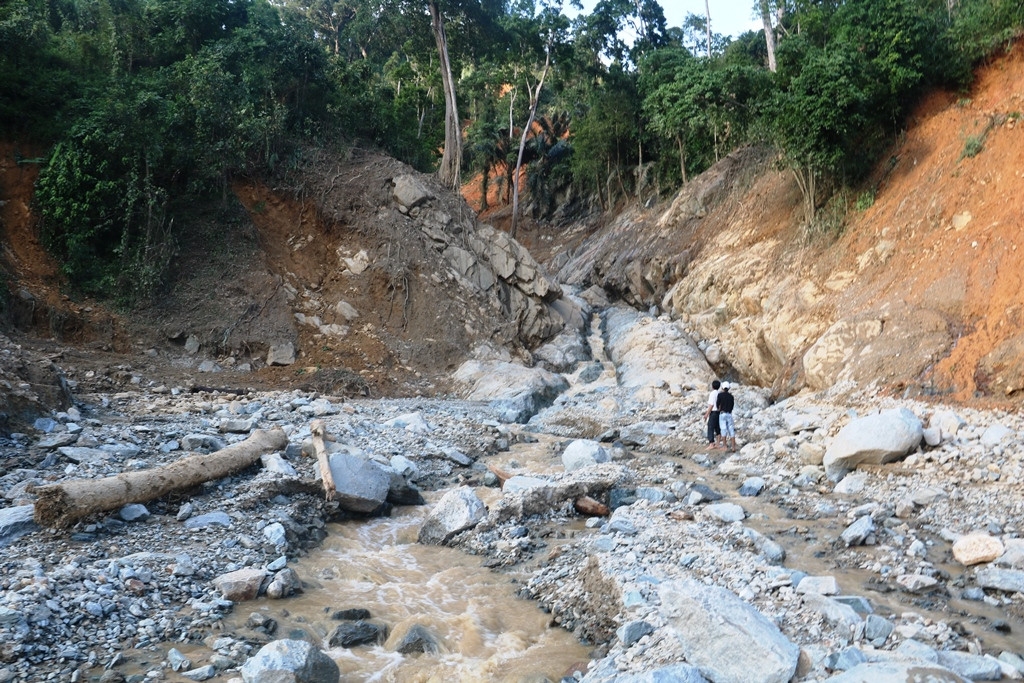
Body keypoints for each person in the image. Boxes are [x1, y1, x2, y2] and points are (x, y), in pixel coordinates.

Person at [716, 382, 737, 452]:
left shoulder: (720, 395)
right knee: (731, 430)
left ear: (722, 388)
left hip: (722, 413)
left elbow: (717, 404)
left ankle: (725, 446)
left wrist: (719, 409)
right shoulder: (731, 396)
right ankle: (733, 447)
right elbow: (732, 406)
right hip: (729, 414)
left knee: (723, 429)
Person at [703, 380, 722, 449]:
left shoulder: (712, 394)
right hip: (718, 412)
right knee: (717, 427)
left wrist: (706, 414)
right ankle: (718, 443)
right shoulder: (719, 393)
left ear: (712, 386)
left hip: (713, 412)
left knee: (710, 427)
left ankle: (711, 444)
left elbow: (711, 405)